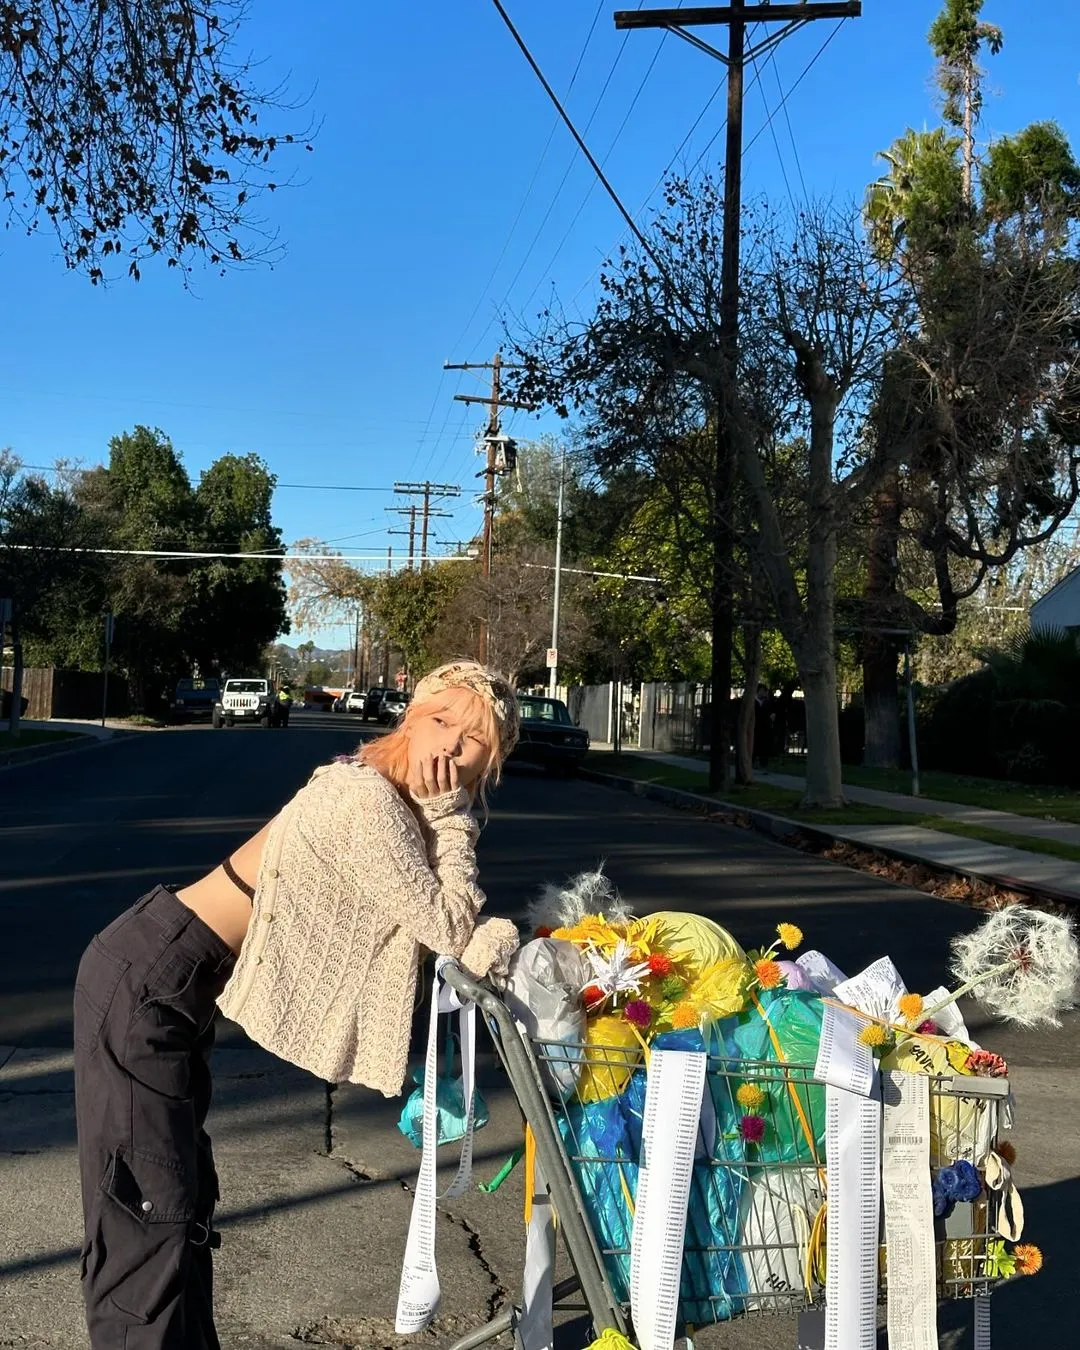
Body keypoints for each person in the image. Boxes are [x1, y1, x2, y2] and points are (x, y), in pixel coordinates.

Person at [72, 660, 521, 1350]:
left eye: (474, 747)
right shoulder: (364, 800)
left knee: (182, 1206)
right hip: (148, 978)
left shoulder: (388, 801)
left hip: (177, 984)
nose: (451, 749)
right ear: (412, 714)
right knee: (148, 1214)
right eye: (443, 723)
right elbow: (449, 925)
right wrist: (452, 818)